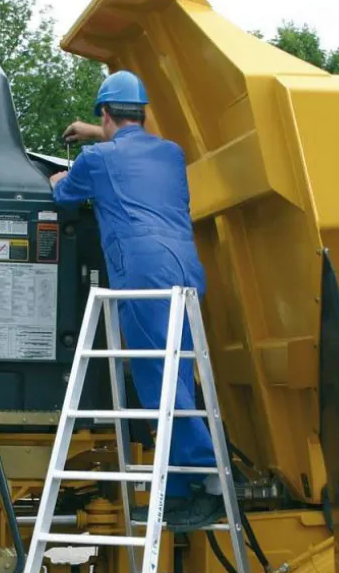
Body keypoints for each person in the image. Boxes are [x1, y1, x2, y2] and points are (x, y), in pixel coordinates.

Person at [49, 71, 224, 531]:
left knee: (157, 384)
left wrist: (58, 178)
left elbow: (65, 197)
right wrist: (96, 132)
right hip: (185, 270)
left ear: (106, 113)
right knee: (176, 379)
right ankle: (179, 493)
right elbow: (135, 147)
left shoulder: (94, 160)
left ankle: (210, 476)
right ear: (142, 113)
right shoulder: (171, 153)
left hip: (144, 273)